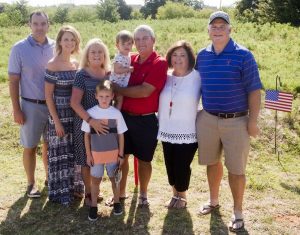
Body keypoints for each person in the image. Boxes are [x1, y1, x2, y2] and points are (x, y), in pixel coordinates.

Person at [195, 11, 262, 232]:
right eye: (213, 26)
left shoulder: (244, 55)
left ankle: (238, 212)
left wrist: (253, 121)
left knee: (236, 169)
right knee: (212, 163)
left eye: (222, 25)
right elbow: (194, 86)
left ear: (230, 29)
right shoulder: (202, 56)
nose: (217, 29)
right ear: (208, 30)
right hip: (208, 119)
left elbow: (254, 91)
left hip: (237, 121)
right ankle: (214, 201)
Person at [113, 25, 168, 207]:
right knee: (122, 157)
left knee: (145, 160)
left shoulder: (159, 62)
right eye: (137, 39)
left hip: (146, 120)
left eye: (145, 38)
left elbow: (145, 91)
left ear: (153, 40)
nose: (141, 42)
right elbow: (112, 71)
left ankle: (143, 193)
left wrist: (117, 89)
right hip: (124, 117)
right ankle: (120, 194)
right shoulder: (131, 59)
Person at [8, 11, 54, 198]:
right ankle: (31, 183)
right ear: (30, 25)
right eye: (36, 23)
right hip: (30, 105)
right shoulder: (18, 48)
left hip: (53, 105)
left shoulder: (55, 46)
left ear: (48, 25)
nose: (39, 27)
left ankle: (50, 179)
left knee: (50, 145)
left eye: (43, 23)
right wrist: (17, 109)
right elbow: (13, 81)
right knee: (30, 146)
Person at [157, 41, 201, 209]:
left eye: (182, 55)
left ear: (189, 58)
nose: (178, 59)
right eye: (174, 55)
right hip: (166, 129)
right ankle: (174, 194)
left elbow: (210, 98)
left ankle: (182, 195)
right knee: (170, 164)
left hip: (187, 130)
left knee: (182, 165)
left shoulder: (197, 77)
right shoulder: (166, 75)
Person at [45, 25, 82, 205]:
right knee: (60, 154)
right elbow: (48, 97)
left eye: (72, 39)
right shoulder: (52, 64)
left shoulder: (75, 64)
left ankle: (75, 189)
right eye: (66, 39)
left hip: (75, 116)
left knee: (73, 153)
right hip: (59, 115)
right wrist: (57, 122)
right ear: (59, 41)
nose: (69, 42)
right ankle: (60, 193)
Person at [71, 38, 111, 206]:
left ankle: (97, 189)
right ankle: (89, 192)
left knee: (101, 156)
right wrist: (91, 121)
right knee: (88, 159)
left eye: (100, 52)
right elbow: (74, 103)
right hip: (85, 124)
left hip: (105, 124)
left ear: (105, 55)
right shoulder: (81, 74)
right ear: (87, 55)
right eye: (92, 52)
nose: (96, 55)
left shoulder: (109, 74)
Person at [81, 80, 128, 221]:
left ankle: (117, 202)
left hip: (113, 154)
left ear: (112, 96)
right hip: (96, 155)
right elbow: (86, 136)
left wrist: (121, 154)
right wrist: (88, 155)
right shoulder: (90, 113)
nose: (104, 99)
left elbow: (121, 135)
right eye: (101, 96)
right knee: (95, 180)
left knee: (115, 180)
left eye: (107, 96)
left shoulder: (116, 114)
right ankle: (94, 206)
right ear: (96, 96)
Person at [109, 30, 134, 110]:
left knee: (118, 99)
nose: (126, 46)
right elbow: (117, 70)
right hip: (116, 82)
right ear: (117, 46)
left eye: (129, 44)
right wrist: (128, 69)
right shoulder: (119, 57)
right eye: (123, 44)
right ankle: (116, 115)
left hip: (121, 82)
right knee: (119, 99)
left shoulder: (127, 55)